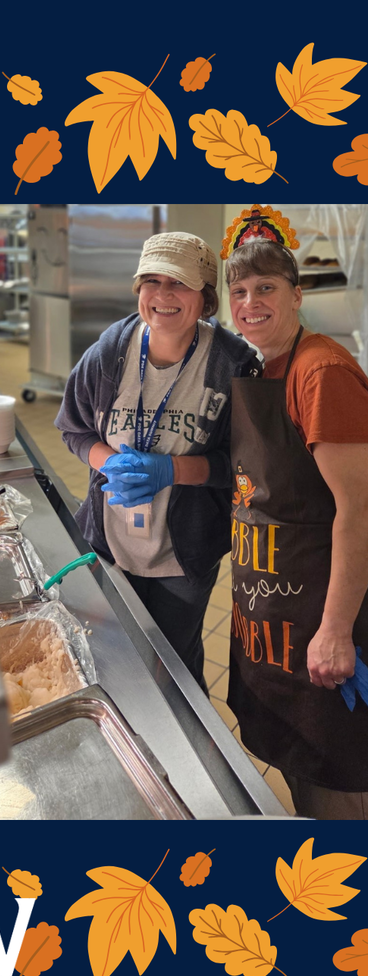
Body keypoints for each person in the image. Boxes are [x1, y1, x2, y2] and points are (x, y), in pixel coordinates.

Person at [55, 232, 259, 691]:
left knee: (175, 670)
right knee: (116, 660)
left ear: (205, 296)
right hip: (110, 546)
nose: (163, 295)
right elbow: (73, 427)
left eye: (179, 284)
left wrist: (173, 471)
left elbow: (246, 468)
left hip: (183, 557)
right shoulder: (111, 353)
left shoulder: (233, 366)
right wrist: (109, 463)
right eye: (152, 281)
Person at [223, 205, 368, 819]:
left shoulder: (321, 371)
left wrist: (335, 631)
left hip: (318, 622)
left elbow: (358, 511)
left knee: (335, 786)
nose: (251, 303)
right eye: (239, 292)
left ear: (296, 295)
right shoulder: (259, 367)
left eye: (266, 288)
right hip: (270, 623)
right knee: (296, 776)